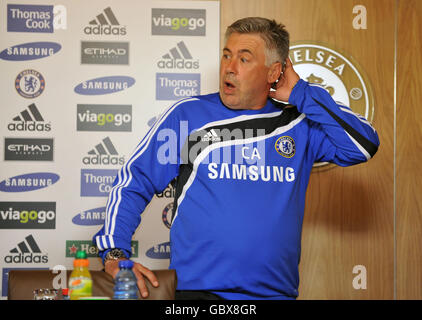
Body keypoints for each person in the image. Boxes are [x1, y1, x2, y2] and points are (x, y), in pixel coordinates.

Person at [93, 17, 379, 300]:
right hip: (196, 294)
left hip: (275, 295)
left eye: (244, 59)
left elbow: (363, 146)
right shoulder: (188, 116)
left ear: (273, 72)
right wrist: (115, 253)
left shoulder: (299, 124)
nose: (229, 68)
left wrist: (301, 93)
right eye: (227, 55)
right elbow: (135, 181)